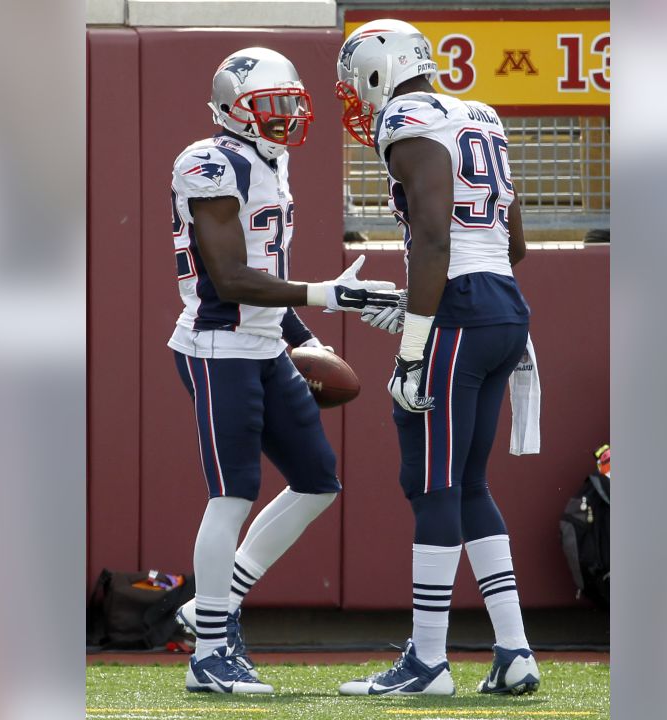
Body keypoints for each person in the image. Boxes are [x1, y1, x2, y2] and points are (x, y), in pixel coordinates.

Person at [168, 47, 401, 695]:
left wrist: (307, 334)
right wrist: (329, 295)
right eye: (269, 108)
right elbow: (233, 278)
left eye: (291, 105)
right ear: (230, 111)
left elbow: (267, 271)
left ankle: (210, 606)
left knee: (317, 482)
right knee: (232, 494)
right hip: (218, 345)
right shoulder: (209, 161)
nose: (284, 119)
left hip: (266, 344)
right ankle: (209, 655)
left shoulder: (275, 161)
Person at [334, 20, 540, 696]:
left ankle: (428, 662)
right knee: (468, 484)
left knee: (432, 485)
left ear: (377, 70)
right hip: (503, 305)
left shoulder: (406, 115)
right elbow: (511, 244)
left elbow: (431, 234)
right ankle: (513, 653)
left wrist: (416, 345)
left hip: (460, 312)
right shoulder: (478, 111)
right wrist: (420, 299)